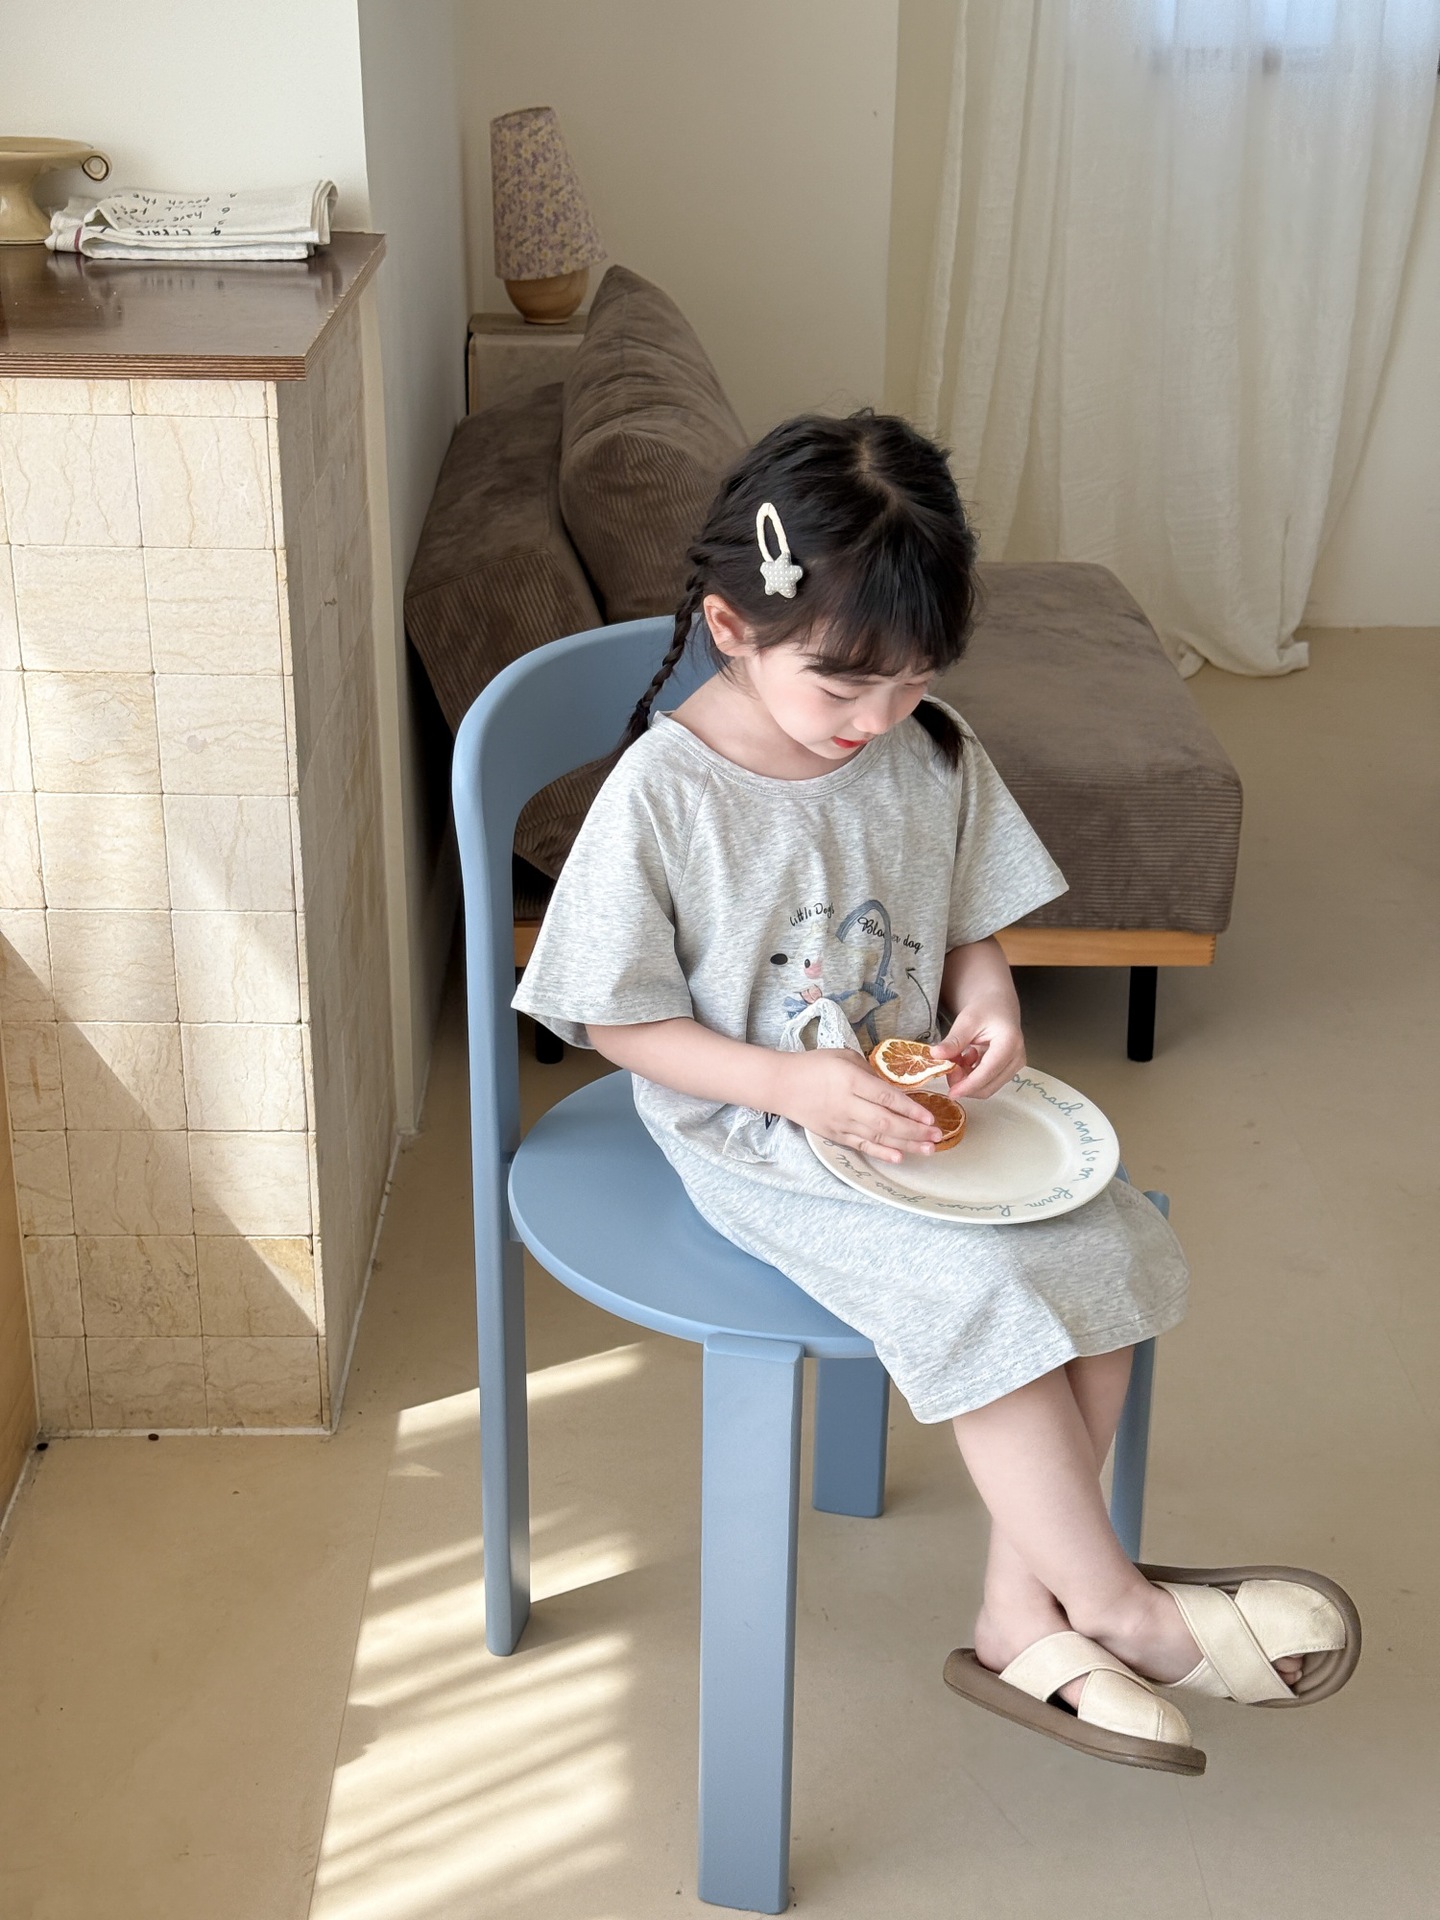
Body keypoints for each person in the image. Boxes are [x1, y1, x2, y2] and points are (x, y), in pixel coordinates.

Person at [513, 411, 1359, 1771]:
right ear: (732, 628)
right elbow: (618, 1021)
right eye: (844, 686)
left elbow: (969, 919)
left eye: (912, 681)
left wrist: (991, 1001)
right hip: (761, 1129)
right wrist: (789, 1084)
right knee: (989, 1295)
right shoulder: (666, 794)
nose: (878, 719)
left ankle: (1021, 1613)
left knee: (1108, 1251)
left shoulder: (929, 745)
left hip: (920, 1114)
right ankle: (1118, 1608)